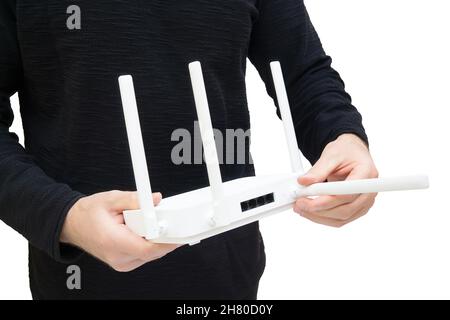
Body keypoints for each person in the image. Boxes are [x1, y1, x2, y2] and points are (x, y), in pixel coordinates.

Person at [0, 0, 378, 299]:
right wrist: (64, 216)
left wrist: (343, 137)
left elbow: (302, 70)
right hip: (78, 282)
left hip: (225, 280)